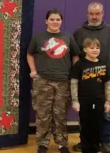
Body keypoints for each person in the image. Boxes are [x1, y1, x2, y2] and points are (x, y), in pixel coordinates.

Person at [72, 2, 110, 153]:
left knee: (105, 112)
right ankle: (85, 141)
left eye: (97, 14)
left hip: (104, 78)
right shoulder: (79, 32)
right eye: (91, 14)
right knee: (85, 114)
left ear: (102, 14)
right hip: (84, 80)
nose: (94, 17)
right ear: (87, 14)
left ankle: (105, 142)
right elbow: (74, 56)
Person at [27, 8, 80, 153]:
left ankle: (62, 143)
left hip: (64, 81)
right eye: (52, 19)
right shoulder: (38, 37)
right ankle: (42, 143)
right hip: (43, 81)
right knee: (43, 114)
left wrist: (73, 71)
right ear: (46, 21)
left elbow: (76, 55)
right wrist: (33, 71)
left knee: (60, 114)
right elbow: (30, 54)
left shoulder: (68, 37)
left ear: (61, 21)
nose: (55, 22)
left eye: (57, 19)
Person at [71, 38, 110, 153]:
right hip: (84, 101)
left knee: (98, 126)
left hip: (99, 100)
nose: (95, 50)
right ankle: (86, 148)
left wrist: (108, 101)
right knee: (85, 127)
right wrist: (75, 101)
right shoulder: (79, 64)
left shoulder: (104, 63)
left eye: (97, 48)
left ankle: (95, 148)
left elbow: (107, 84)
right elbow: (74, 83)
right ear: (85, 49)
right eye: (92, 48)